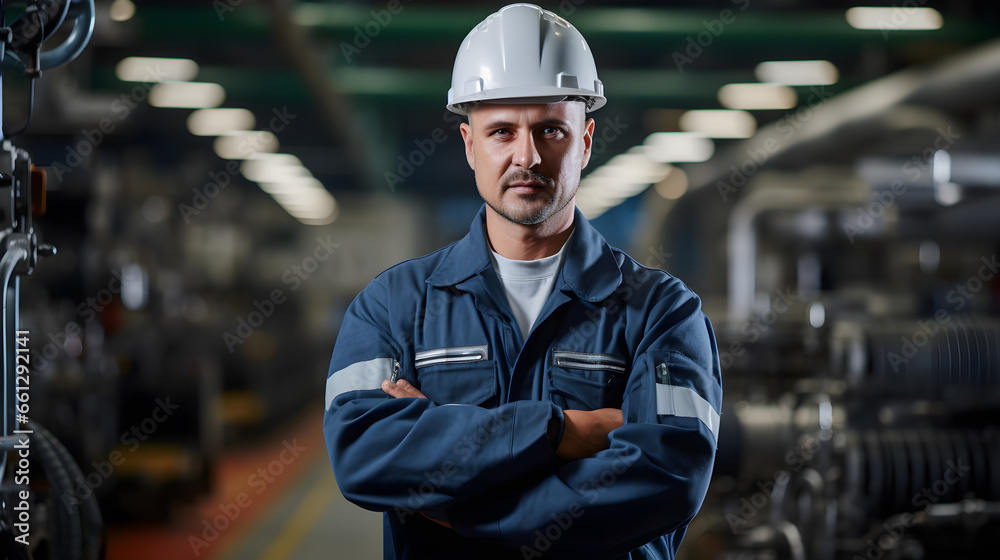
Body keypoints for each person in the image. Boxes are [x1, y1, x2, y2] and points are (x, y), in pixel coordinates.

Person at [323, 4, 722, 559]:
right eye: (501, 131)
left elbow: (669, 473)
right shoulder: (393, 306)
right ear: (469, 144)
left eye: (549, 130)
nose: (526, 155)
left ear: (584, 141)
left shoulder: (662, 312)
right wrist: (560, 432)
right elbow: (364, 455)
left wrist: (466, 507)